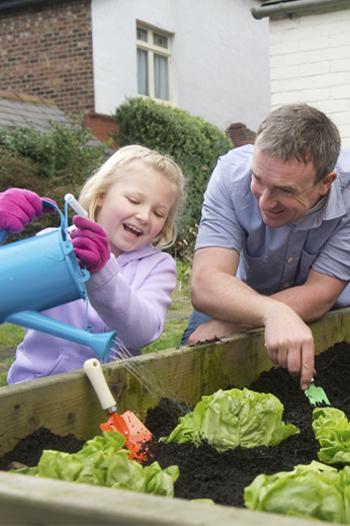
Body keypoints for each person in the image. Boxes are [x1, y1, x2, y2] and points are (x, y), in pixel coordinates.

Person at [182, 103, 350, 390]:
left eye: (285, 190)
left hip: (320, 306)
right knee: (190, 370)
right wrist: (272, 313)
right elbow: (206, 284)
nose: (264, 201)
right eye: (258, 179)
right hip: (236, 294)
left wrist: (237, 323)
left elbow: (320, 293)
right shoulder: (229, 175)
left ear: (325, 183)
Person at [5, 144, 185, 383]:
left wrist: (102, 272)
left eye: (159, 213)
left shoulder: (158, 266)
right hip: (32, 393)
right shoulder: (54, 244)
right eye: (134, 200)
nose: (144, 216)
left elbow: (142, 332)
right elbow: (4, 290)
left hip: (110, 397)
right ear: (101, 195)